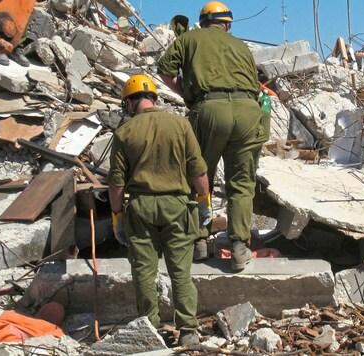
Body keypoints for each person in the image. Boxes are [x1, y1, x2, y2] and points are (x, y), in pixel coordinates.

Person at [157, 1, 270, 271]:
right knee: (242, 184)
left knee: (198, 175)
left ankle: (199, 243)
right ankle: (240, 248)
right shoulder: (241, 46)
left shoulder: (188, 38)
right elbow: (254, 83)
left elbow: (165, 70)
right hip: (247, 111)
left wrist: (187, 93)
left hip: (209, 110)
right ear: (228, 25)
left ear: (203, 22)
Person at [108, 74, 211, 346]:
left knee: (143, 272)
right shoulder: (180, 124)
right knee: (181, 273)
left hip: (141, 209)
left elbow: (117, 183)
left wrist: (117, 216)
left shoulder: (124, 132)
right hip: (178, 207)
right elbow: (198, 169)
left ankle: (149, 330)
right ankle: (188, 331)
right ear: (153, 98)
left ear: (130, 103)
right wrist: (204, 201)